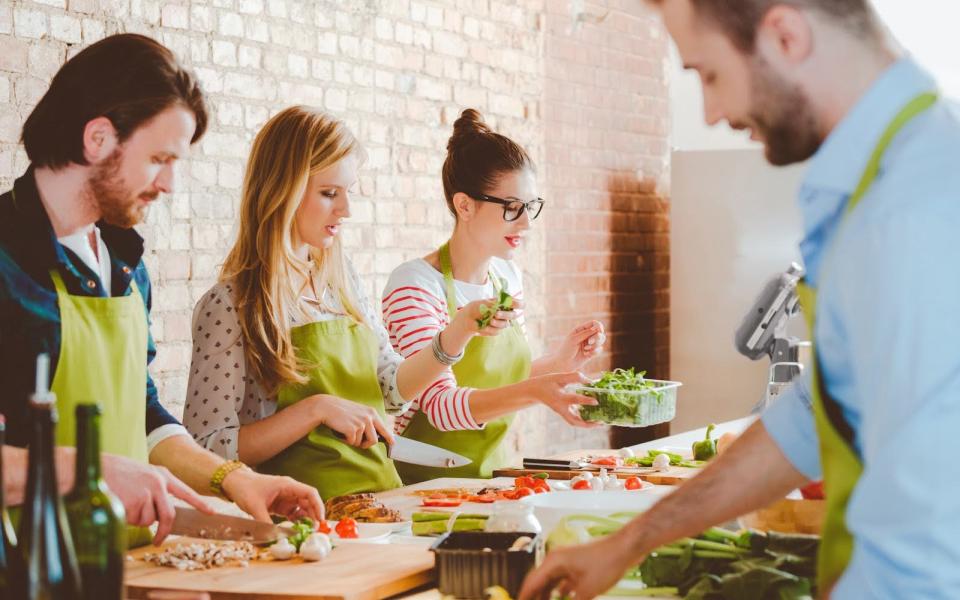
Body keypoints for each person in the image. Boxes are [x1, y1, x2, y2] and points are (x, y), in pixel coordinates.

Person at [519, 1, 960, 598]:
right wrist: (629, 543)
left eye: (709, 75)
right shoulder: (871, 189)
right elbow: (809, 419)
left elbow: (927, 547)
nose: (711, 111)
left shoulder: (915, 209)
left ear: (785, 34)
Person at [0, 34, 323, 546]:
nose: (170, 184)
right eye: (159, 158)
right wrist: (90, 471)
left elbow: (142, 411)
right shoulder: (7, 260)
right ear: (98, 139)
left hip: (130, 565)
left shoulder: (126, 266)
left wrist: (238, 480)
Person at [183, 106, 520, 499]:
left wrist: (458, 331)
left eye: (348, 193)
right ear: (282, 189)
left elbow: (392, 391)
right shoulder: (230, 306)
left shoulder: (343, 284)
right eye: (329, 194)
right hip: (301, 520)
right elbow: (205, 450)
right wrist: (316, 409)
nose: (346, 210)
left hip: (381, 504)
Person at [381, 109, 605, 483]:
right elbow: (439, 408)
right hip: (425, 485)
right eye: (512, 207)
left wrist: (560, 361)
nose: (526, 222)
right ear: (464, 205)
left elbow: (501, 382)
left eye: (530, 206)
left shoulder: (506, 277)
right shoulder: (416, 286)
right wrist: (538, 392)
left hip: (493, 477)